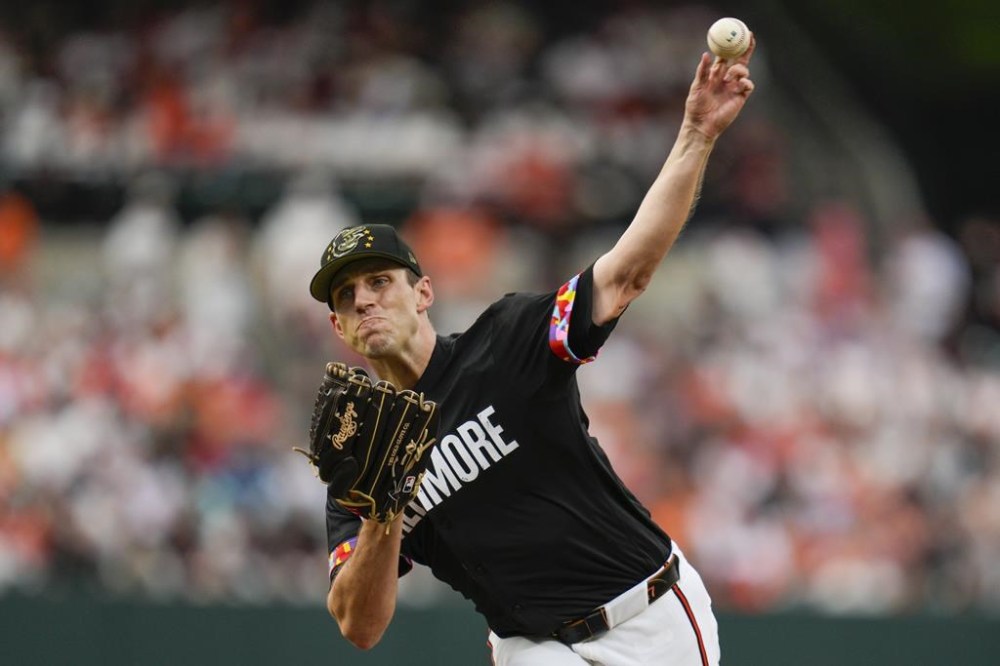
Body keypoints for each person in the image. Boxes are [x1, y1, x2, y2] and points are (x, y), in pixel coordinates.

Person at [308, 37, 756, 665]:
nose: (366, 302)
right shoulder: (358, 462)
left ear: (424, 293)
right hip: (533, 648)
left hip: (647, 615)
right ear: (339, 328)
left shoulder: (509, 339)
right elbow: (360, 625)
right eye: (347, 297)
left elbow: (626, 273)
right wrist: (382, 509)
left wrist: (696, 136)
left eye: (380, 282)